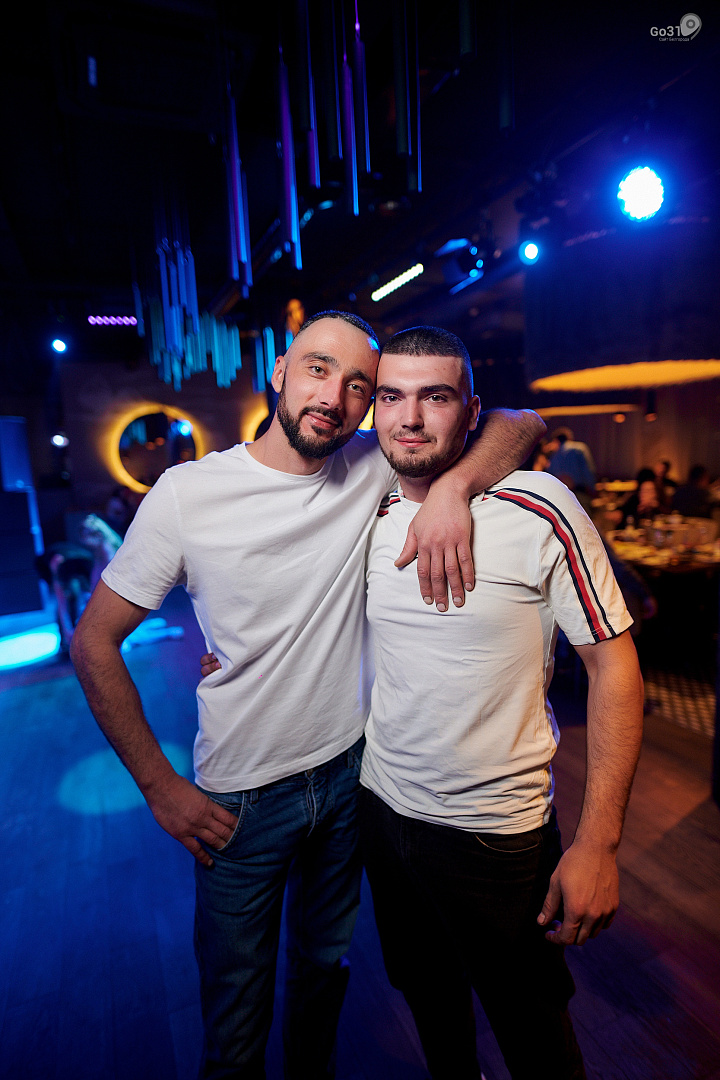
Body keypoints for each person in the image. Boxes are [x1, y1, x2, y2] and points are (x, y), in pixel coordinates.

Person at [70, 310, 544, 1080]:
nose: (334, 396)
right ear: (281, 369)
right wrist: (159, 787)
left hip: (351, 776)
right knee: (236, 1012)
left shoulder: (370, 466)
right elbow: (94, 642)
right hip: (240, 800)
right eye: (319, 369)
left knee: (324, 973)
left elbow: (522, 421)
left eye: (359, 385)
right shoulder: (188, 494)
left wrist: (455, 486)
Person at [356, 327, 643, 1080]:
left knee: (533, 1029)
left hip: (494, 832)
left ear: (470, 410)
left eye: (435, 397)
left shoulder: (538, 504)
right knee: (428, 1000)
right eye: (391, 396)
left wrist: (599, 843)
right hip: (380, 810)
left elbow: (614, 667)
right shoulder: (362, 499)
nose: (410, 417)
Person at [546, 426, 596, 512]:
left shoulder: (554, 454)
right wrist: (592, 488)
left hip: (561, 493)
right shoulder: (580, 448)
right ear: (569, 437)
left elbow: (551, 473)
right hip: (580, 491)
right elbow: (588, 470)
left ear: (556, 440)